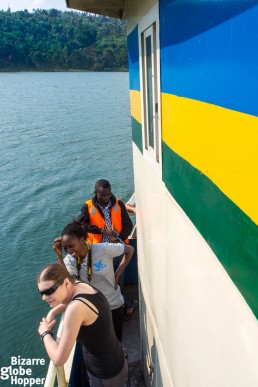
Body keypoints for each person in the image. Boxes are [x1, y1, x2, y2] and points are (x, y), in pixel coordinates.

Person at [37, 263, 128, 387]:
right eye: (41, 292)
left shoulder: (75, 309)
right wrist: (53, 311)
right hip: (117, 359)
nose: (44, 297)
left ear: (66, 283)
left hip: (105, 375)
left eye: (49, 291)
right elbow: (72, 301)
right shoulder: (81, 285)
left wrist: (45, 333)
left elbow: (59, 359)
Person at [53, 220, 134, 342]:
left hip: (113, 303)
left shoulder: (103, 249)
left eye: (71, 246)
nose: (69, 250)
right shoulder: (69, 260)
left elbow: (129, 250)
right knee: (102, 341)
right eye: (65, 248)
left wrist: (118, 273)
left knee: (117, 339)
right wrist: (59, 256)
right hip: (92, 309)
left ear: (82, 240)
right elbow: (71, 282)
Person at [77, 179, 133, 244]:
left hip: (118, 243)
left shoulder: (119, 204)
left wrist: (120, 239)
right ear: (95, 193)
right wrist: (103, 231)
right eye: (103, 195)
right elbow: (82, 225)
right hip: (98, 247)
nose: (106, 197)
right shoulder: (87, 206)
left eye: (109, 194)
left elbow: (128, 225)